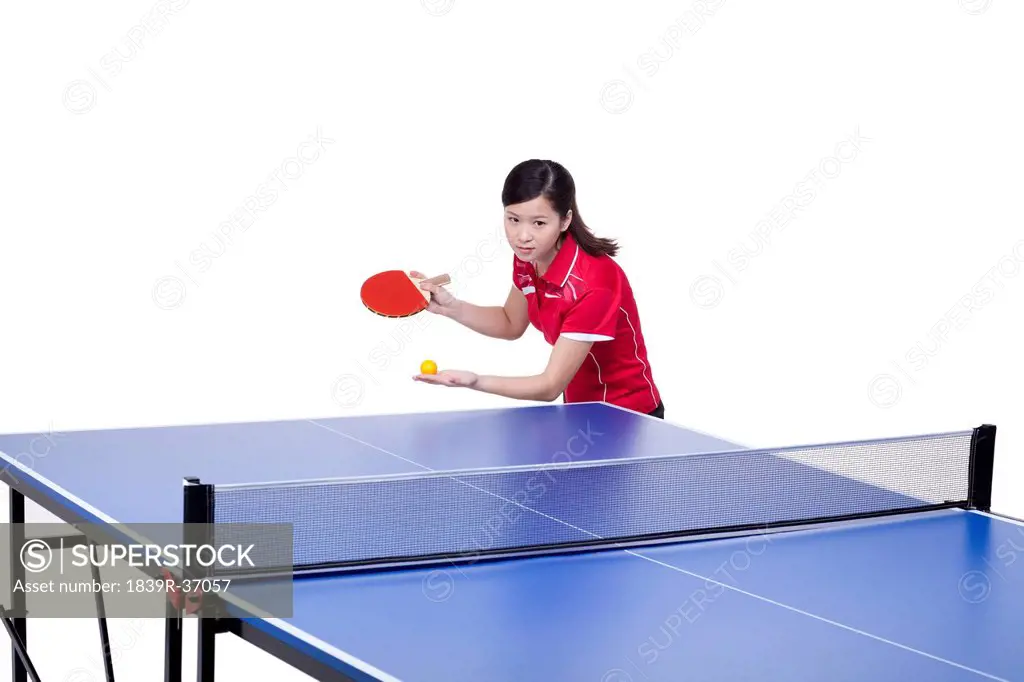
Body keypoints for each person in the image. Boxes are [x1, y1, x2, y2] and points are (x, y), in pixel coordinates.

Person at [412, 159, 664, 418]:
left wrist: (475, 381)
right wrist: (451, 307)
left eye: (539, 223)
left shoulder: (594, 284)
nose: (522, 236)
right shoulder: (528, 259)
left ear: (565, 220)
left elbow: (550, 385)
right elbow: (511, 322)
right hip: (580, 410)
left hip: (627, 416)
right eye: (514, 219)